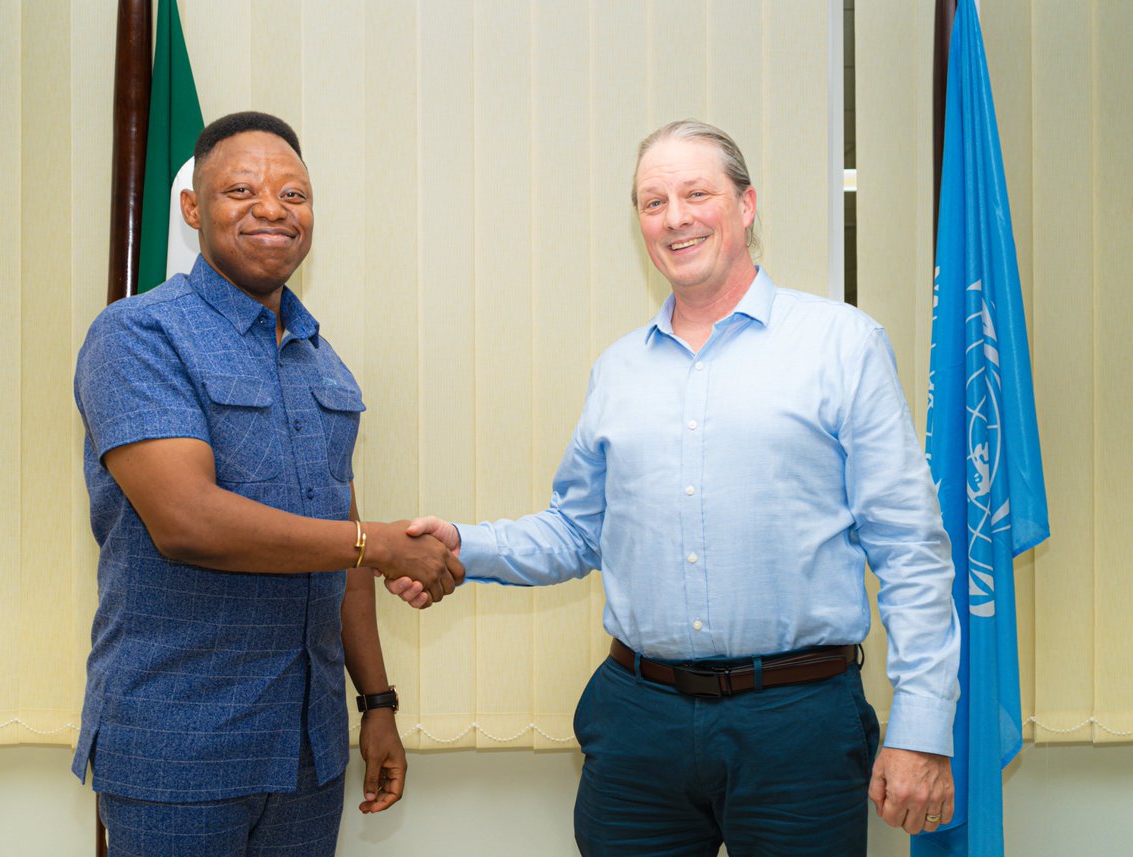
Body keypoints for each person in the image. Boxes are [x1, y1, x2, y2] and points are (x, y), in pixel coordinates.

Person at [395, 120, 960, 856]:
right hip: (639, 724)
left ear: (747, 205)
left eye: (697, 193)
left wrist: (922, 726)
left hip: (799, 724)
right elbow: (578, 530)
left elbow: (909, 547)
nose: (675, 217)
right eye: (653, 201)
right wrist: (464, 545)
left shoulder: (841, 345)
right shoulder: (619, 370)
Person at [72, 111, 464, 855]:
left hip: (307, 748)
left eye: (294, 193)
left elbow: (343, 555)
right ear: (192, 209)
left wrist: (376, 701)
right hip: (180, 741)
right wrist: (377, 543)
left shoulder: (323, 362)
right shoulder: (137, 335)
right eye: (241, 189)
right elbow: (186, 519)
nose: (271, 208)